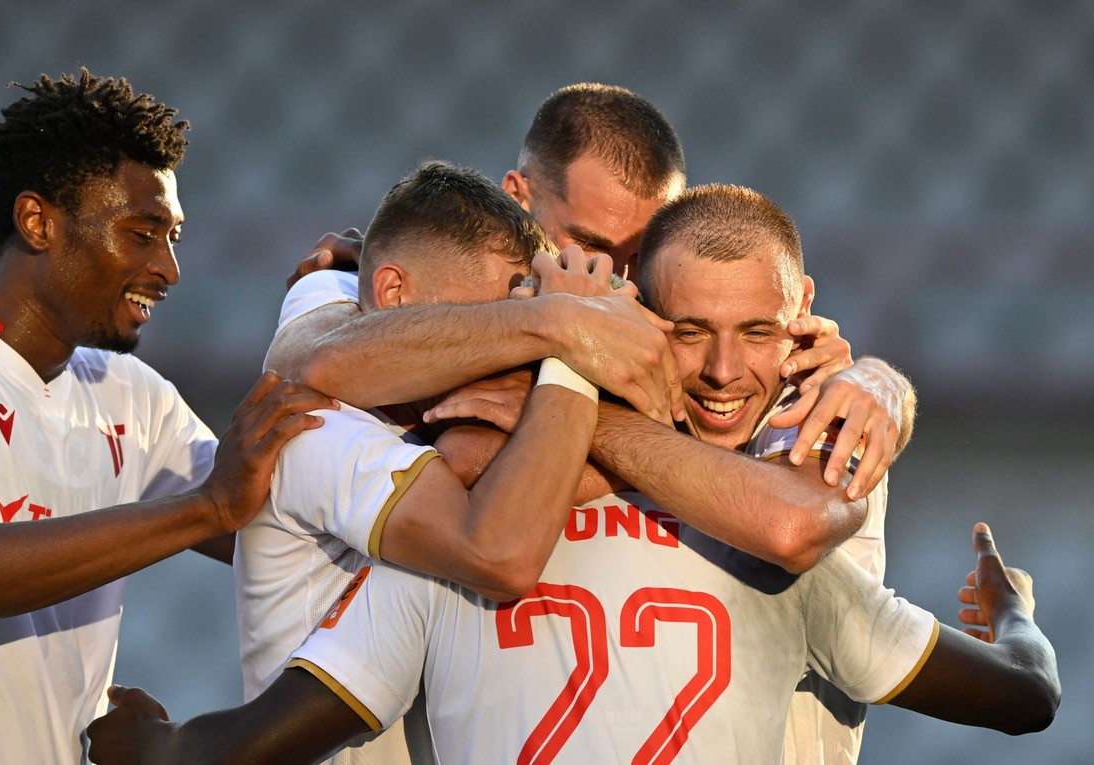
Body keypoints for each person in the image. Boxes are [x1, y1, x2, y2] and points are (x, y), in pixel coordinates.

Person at [85, 186, 1060, 764]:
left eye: (754, 332)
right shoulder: (772, 564)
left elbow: (256, 740)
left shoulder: (450, 550)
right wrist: (1013, 610)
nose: (723, 371)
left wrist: (155, 750)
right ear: (637, 330)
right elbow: (1022, 696)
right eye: (691, 334)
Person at [276, 83, 914, 763]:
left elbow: (793, 518)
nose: (621, 279)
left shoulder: (738, 357)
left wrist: (883, 383)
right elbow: (307, 362)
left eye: (646, 251)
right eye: (589, 244)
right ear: (520, 199)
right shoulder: (383, 285)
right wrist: (555, 326)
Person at [0, 69, 334, 765]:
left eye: (173, 236)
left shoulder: (130, 394)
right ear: (37, 221)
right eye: (142, 234)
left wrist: (344, 308)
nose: (169, 268)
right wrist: (206, 507)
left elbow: (287, 528)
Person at [235, 159, 660, 763]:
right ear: (392, 293)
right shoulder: (314, 427)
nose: (502, 352)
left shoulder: (443, 397)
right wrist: (565, 338)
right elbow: (498, 550)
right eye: (486, 322)